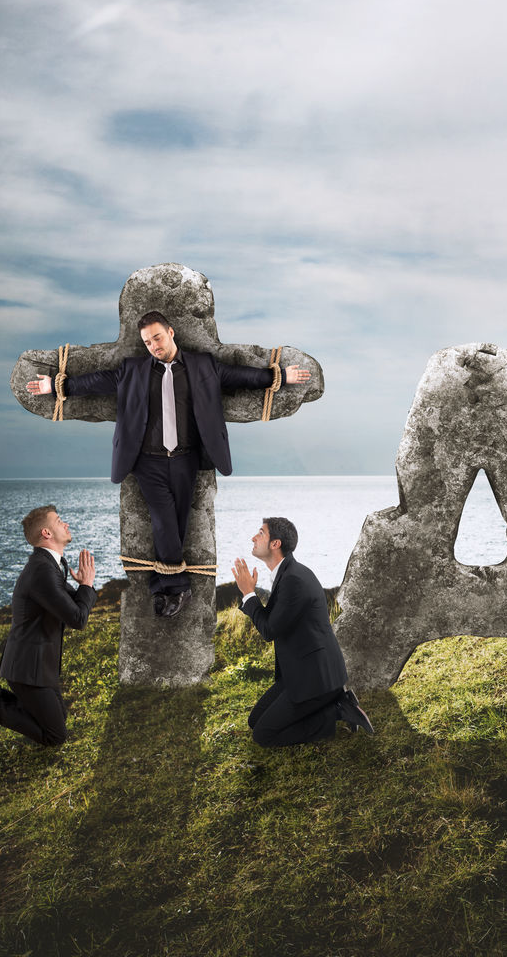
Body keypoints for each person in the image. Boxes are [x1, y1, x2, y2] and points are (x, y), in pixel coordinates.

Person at [29, 310, 310, 619]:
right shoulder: (132, 370)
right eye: (147, 342)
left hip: (187, 458)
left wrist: (280, 377)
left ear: (171, 332)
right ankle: (173, 587)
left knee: (177, 524)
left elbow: (241, 376)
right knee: (163, 520)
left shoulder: (203, 366)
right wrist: (56, 387)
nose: (153, 346)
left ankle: (164, 583)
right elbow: (95, 382)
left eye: (157, 338)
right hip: (147, 462)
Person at [231, 517, 373, 747]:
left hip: (316, 679)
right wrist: (252, 596)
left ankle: (337, 711)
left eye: (260, 533)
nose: (253, 538)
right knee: (254, 721)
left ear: (275, 544)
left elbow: (269, 630)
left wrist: (248, 593)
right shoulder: (287, 574)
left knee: (263, 736)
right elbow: (276, 621)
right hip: (301, 672)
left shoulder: (294, 579)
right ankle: (338, 701)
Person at [0, 505, 97, 747]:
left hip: (39, 665)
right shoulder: (42, 571)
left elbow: (72, 605)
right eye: (59, 521)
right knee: (55, 736)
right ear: (46, 533)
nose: (66, 524)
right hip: (27, 669)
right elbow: (78, 618)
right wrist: (87, 586)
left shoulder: (51, 565)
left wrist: (84, 588)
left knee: (59, 718)